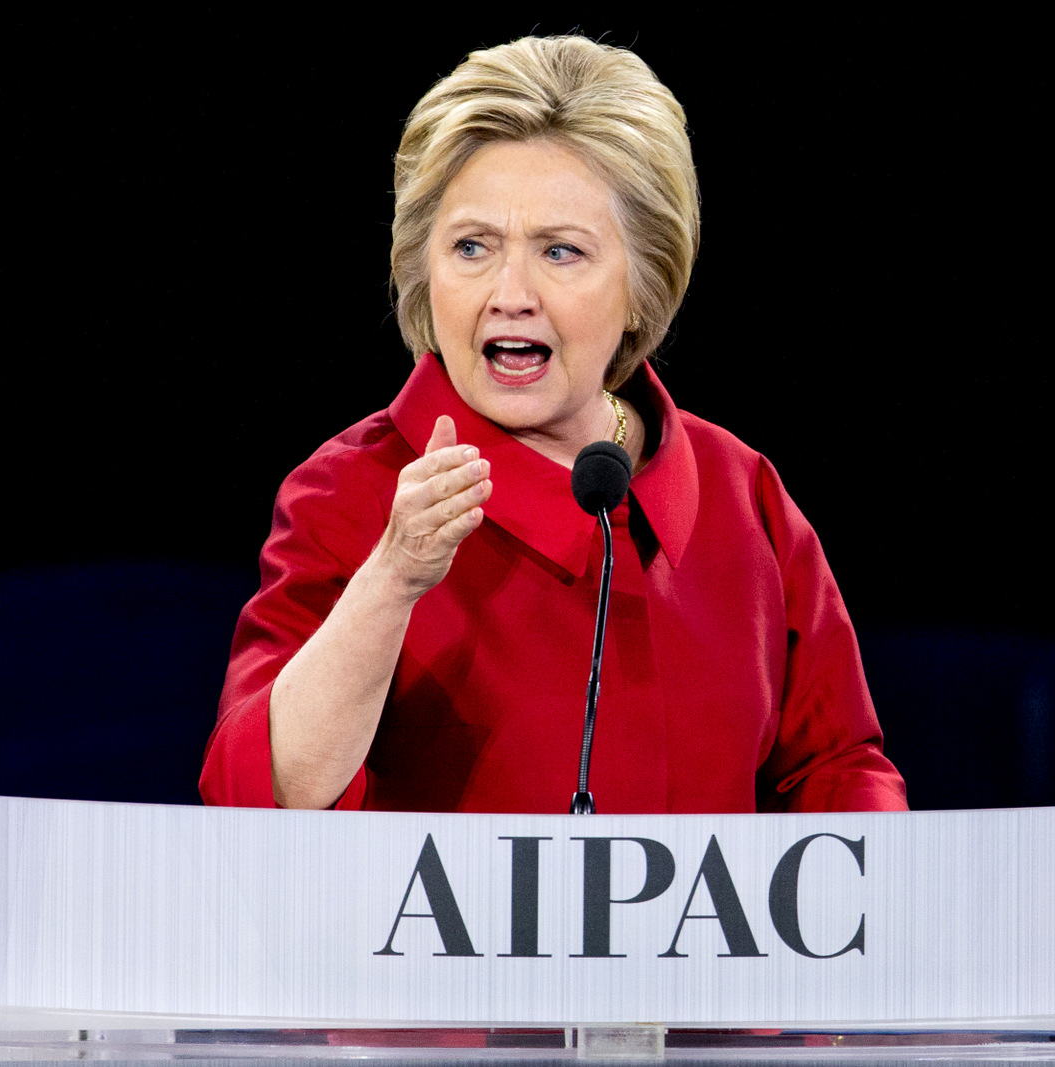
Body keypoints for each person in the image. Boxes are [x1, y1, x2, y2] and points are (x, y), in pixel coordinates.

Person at [199, 36, 906, 814]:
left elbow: (839, 770)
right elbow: (259, 801)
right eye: (472, 247)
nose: (510, 293)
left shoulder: (744, 495)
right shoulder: (353, 491)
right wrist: (393, 578)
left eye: (560, 252)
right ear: (424, 271)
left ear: (643, 283)